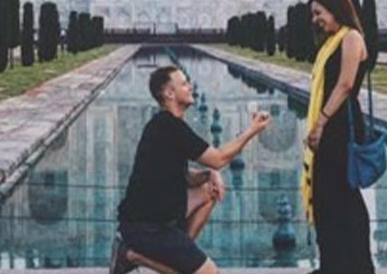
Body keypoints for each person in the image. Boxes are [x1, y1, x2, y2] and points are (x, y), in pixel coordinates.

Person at [110, 66, 272, 274]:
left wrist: (208, 175)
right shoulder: (169, 127)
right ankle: (131, 255)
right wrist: (252, 130)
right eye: (184, 84)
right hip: (145, 227)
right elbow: (219, 158)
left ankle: (181, 252)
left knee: (209, 190)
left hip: (153, 221)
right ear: (169, 93)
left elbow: (184, 175)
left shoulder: (166, 125)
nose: (190, 87)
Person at [302, 0, 375, 274]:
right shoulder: (333, 41)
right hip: (332, 121)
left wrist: (320, 122)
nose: (315, 19)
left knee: (342, 195)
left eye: (319, 12)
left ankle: (356, 266)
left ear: (336, 9)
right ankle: (333, 264)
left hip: (341, 123)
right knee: (326, 195)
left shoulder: (352, 37)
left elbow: (345, 85)